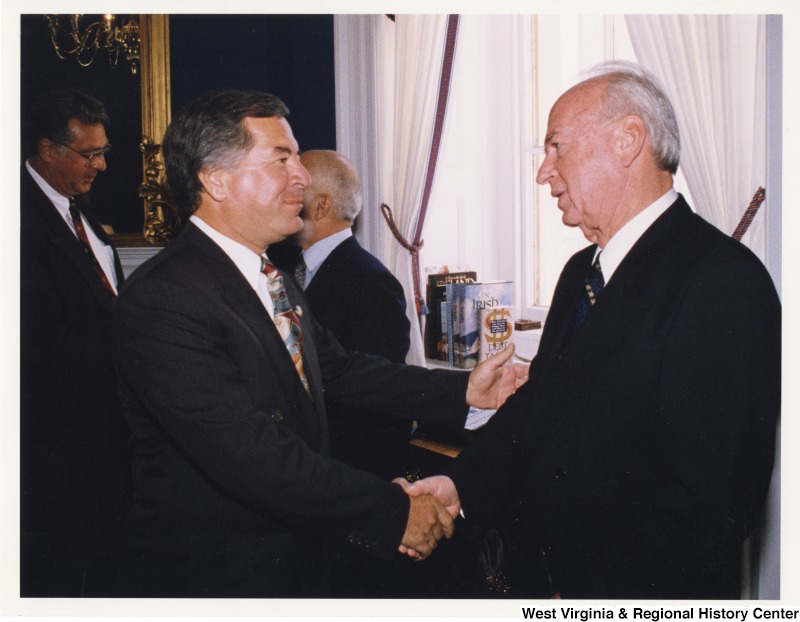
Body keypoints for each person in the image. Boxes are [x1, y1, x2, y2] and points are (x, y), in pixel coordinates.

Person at [111, 90, 524, 598]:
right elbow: (253, 458)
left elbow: (340, 369)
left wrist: (464, 391)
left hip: (294, 565)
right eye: (281, 159)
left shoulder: (272, 276)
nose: (301, 177)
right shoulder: (163, 299)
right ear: (215, 179)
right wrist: (394, 512)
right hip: (218, 579)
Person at [402, 61, 781, 599]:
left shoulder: (723, 281)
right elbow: (538, 409)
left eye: (557, 147)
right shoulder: (582, 271)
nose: (543, 173)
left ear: (629, 140)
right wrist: (461, 486)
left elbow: (706, 510)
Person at [20, 89, 131, 596]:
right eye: (90, 154)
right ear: (48, 150)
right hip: (53, 455)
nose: (102, 165)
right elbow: (34, 340)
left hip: (104, 446)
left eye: (103, 151)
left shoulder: (83, 218)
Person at [272, 149, 412, 480]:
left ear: (321, 206)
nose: (284, 195)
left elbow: (381, 400)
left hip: (339, 475)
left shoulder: (372, 283)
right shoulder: (282, 269)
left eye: (296, 187)